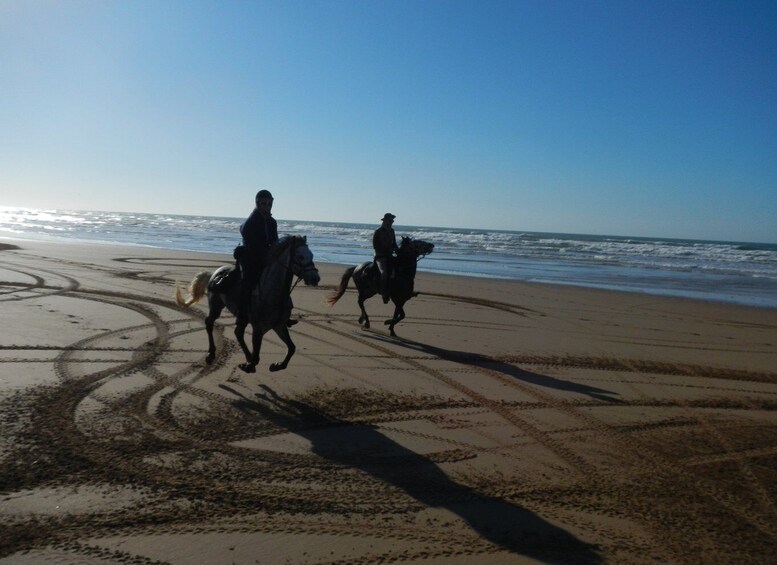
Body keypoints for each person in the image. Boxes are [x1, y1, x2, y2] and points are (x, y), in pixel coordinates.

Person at [235, 189, 278, 319]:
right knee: (248, 280)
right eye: (264, 203)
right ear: (258, 204)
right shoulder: (250, 222)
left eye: (269, 203)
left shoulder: (272, 222)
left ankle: (281, 312)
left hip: (266, 256)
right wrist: (266, 252)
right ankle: (241, 314)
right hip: (250, 257)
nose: (267, 206)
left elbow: (274, 241)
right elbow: (252, 245)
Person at [373, 213, 399, 303]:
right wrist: (387, 250)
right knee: (384, 273)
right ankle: (384, 293)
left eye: (392, 221)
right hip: (381, 256)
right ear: (385, 221)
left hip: (390, 256)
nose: (392, 222)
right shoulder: (378, 231)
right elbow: (375, 246)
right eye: (391, 220)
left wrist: (397, 250)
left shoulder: (392, 231)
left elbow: (394, 244)